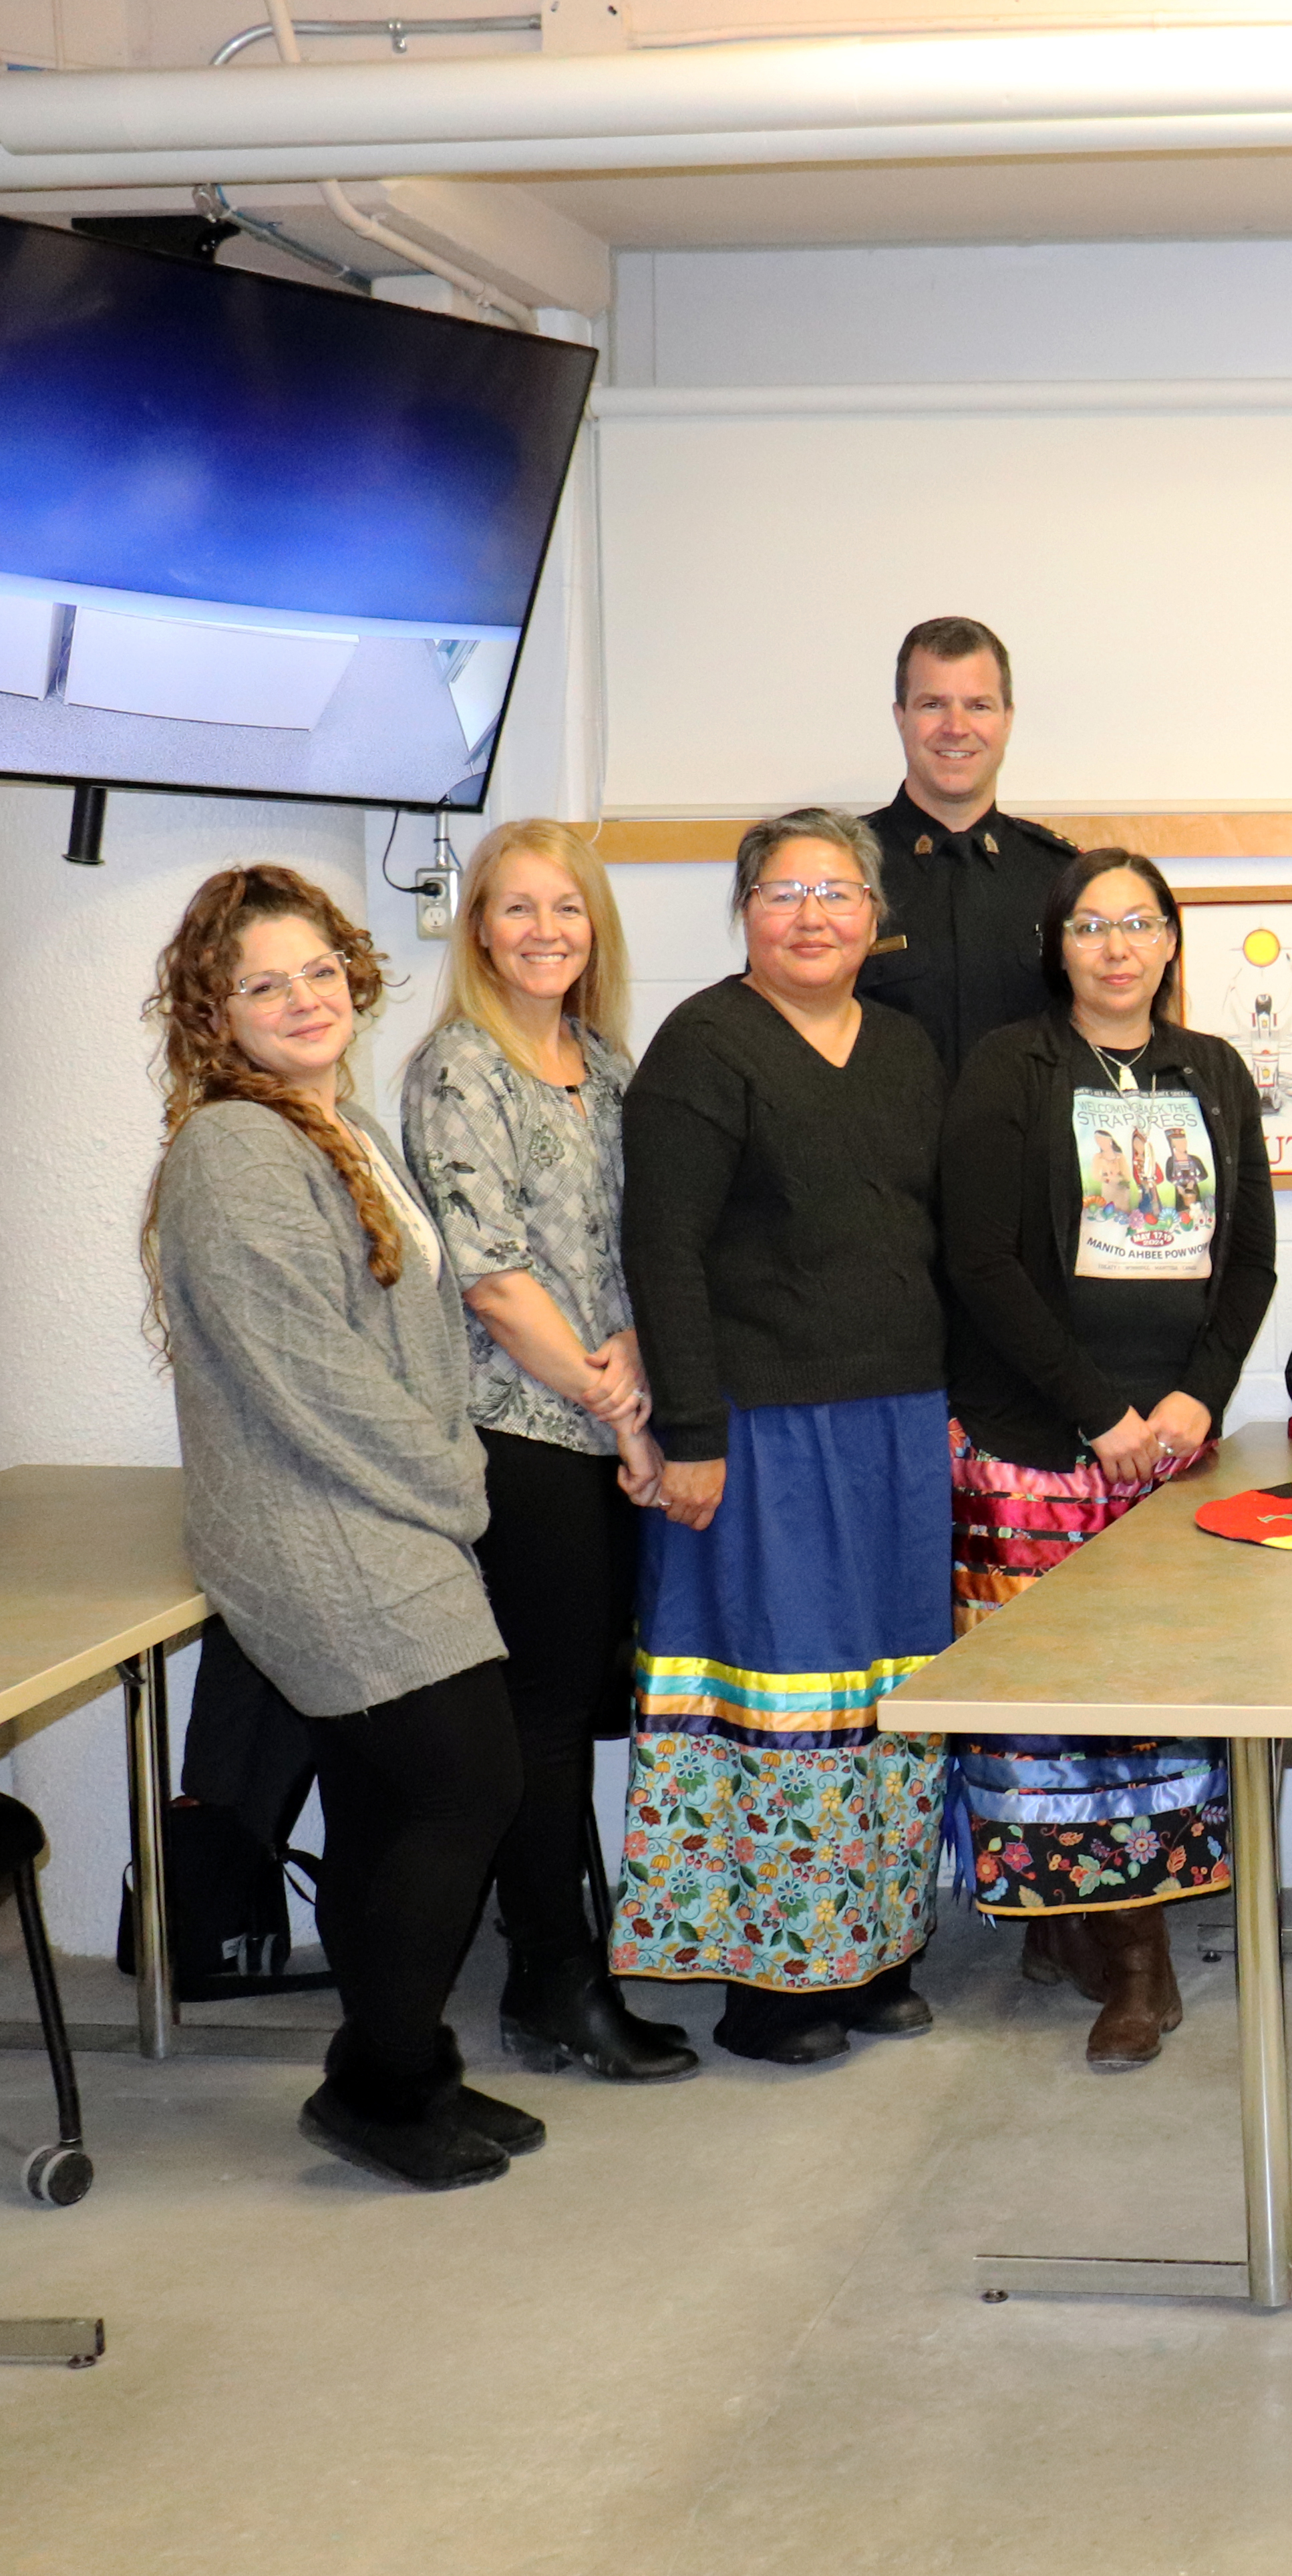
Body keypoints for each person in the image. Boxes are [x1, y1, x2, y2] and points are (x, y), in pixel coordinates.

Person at [146, 866, 536, 2188]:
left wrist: (439, 1480)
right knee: (461, 1778)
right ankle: (374, 2085)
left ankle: (404, 2063)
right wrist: (453, 1484)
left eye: (319, 969)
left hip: (386, 1507)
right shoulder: (234, 1151)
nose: (304, 997)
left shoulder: (333, 1121)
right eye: (266, 982)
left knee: (392, 1801)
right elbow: (304, 1371)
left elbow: (405, 1337)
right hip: (326, 1525)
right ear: (216, 1011)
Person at [615, 808, 953, 2066]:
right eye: (781, 892)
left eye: (837, 892)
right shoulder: (705, 1047)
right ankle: (774, 1988)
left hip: (900, 1423)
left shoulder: (909, 1051)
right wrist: (691, 1430)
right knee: (783, 1692)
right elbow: (665, 1251)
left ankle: (873, 1953)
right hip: (762, 1432)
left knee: (891, 1697)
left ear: (875, 916)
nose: (812, 915)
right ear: (745, 913)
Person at [942, 848, 1277, 2070]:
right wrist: (1098, 1412)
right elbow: (980, 1259)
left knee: (1151, 1712)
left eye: (1140, 923)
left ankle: (1130, 1949)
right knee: (1046, 1718)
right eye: (1092, 925)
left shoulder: (1216, 1073)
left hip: (1173, 1452)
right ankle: (1081, 1933)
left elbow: (1250, 1265)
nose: (1118, 946)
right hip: (1035, 1446)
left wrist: (1194, 1398)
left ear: (1174, 941)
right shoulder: (1008, 1069)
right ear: (1058, 945)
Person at [398, 821, 697, 2085]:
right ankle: (550, 1981)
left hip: (603, 1411)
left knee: (580, 1702)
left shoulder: (609, 1063)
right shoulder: (459, 1069)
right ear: (478, 930)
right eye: (515, 910)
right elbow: (495, 1277)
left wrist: (631, 1371)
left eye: (565, 910)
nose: (543, 932)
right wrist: (616, 1407)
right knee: (542, 1719)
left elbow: (631, 1244)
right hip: (520, 1430)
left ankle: (573, 1961)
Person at [860, 614, 1086, 1069]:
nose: (956, 727)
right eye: (932, 705)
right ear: (900, 718)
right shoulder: (840, 873)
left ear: (1007, 719)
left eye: (978, 706)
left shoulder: (1065, 879)